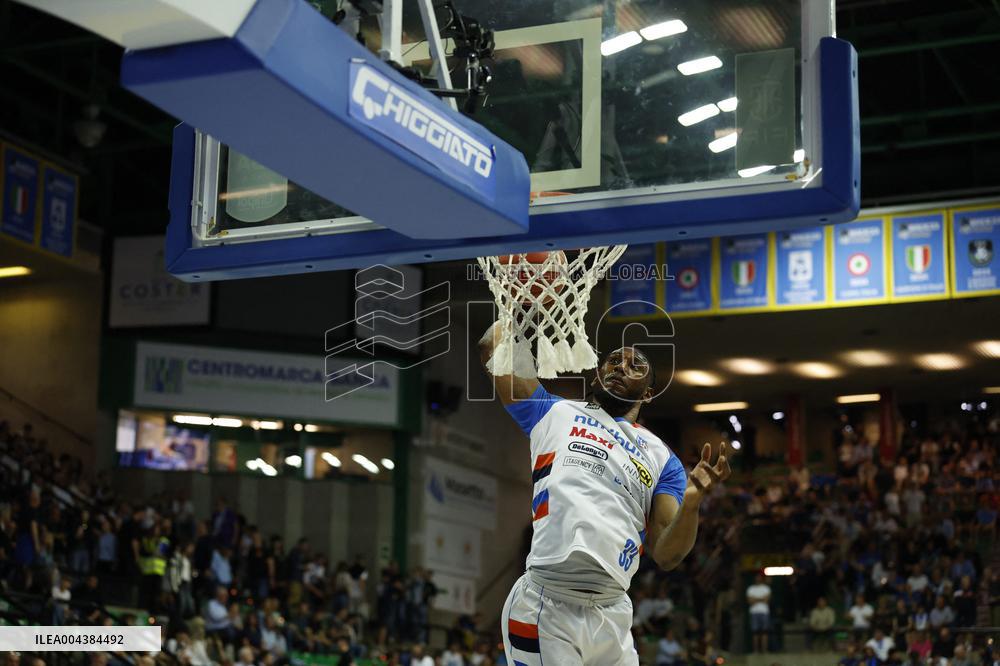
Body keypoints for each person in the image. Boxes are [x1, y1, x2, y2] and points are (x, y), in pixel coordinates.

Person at [479, 324, 731, 666]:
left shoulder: (662, 459)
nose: (620, 368)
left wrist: (692, 503)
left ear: (648, 394)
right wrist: (519, 306)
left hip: (612, 613)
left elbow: (667, 555)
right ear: (597, 377)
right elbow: (492, 349)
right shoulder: (553, 412)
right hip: (547, 603)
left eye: (634, 366)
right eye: (613, 362)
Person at [746, 573, 771, 653]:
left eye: (759, 577)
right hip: (754, 612)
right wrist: (761, 599)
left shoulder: (766, 588)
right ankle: (756, 650)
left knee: (764, 632)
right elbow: (750, 601)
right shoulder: (751, 589)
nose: (758, 579)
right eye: (757, 577)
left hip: (764, 612)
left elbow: (766, 600)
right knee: (755, 632)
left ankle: (764, 650)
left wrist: (755, 599)